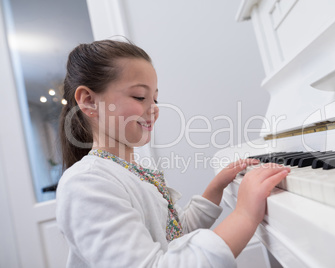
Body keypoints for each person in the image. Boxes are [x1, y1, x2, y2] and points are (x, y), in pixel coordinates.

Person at [56, 39, 290, 267]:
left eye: (155, 99)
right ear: (89, 101)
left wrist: (215, 189)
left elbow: (175, 234)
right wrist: (245, 216)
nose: (154, 109)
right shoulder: (85, 183)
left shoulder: (131, 173)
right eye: (139, 97)